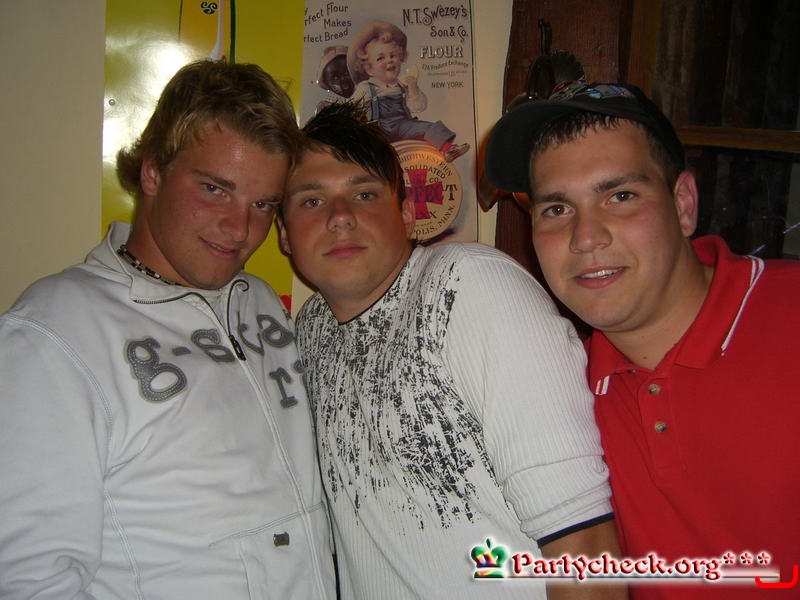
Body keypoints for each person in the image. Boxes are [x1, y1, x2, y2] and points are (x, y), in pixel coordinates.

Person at [0, 59, 336, 599]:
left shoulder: (259, 303)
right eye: (215, 189)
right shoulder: (52, 334)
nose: (240, 228)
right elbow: (27, 579)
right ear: (153, 170)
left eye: (261, 204)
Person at [277, 101, 625, 599]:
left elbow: (584, 545)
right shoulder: (310, 329)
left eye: (365, 194)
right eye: (312, 201)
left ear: (406, 213)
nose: (340, 218)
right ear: (284, 235)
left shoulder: (468, 283)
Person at [485, 80, 800, 598]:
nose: (586, 238)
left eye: (620, 196)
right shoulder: (563, 391)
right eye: (557, 209)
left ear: (683, 204)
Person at [347, 21, 470, 162]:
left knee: (428, 127)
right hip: (380, 131)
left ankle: (448, 149)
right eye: (381, 58)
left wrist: (413, 87)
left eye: (393, 56)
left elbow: (418, 107)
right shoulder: (366, 88)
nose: (389, 61)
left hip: (403, 126)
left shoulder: (402, 85)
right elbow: (352, 109)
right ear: (369, 69)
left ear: (401, 58)